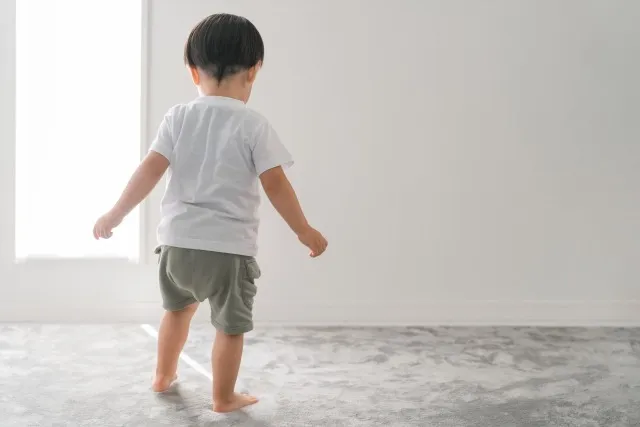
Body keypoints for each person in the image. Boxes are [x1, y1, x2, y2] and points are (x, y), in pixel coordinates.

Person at [92, 13, 327, 413]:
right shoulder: (253, 125)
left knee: (176, 313)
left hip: (177, 247)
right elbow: (275, 184)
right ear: (253, 71)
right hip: (228, 252)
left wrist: (115, 214)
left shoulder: (178, 117)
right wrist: (303, 230)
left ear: (192, 71)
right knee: (230, 327)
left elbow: (149, 170)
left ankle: (163, 374)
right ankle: (223, 397)